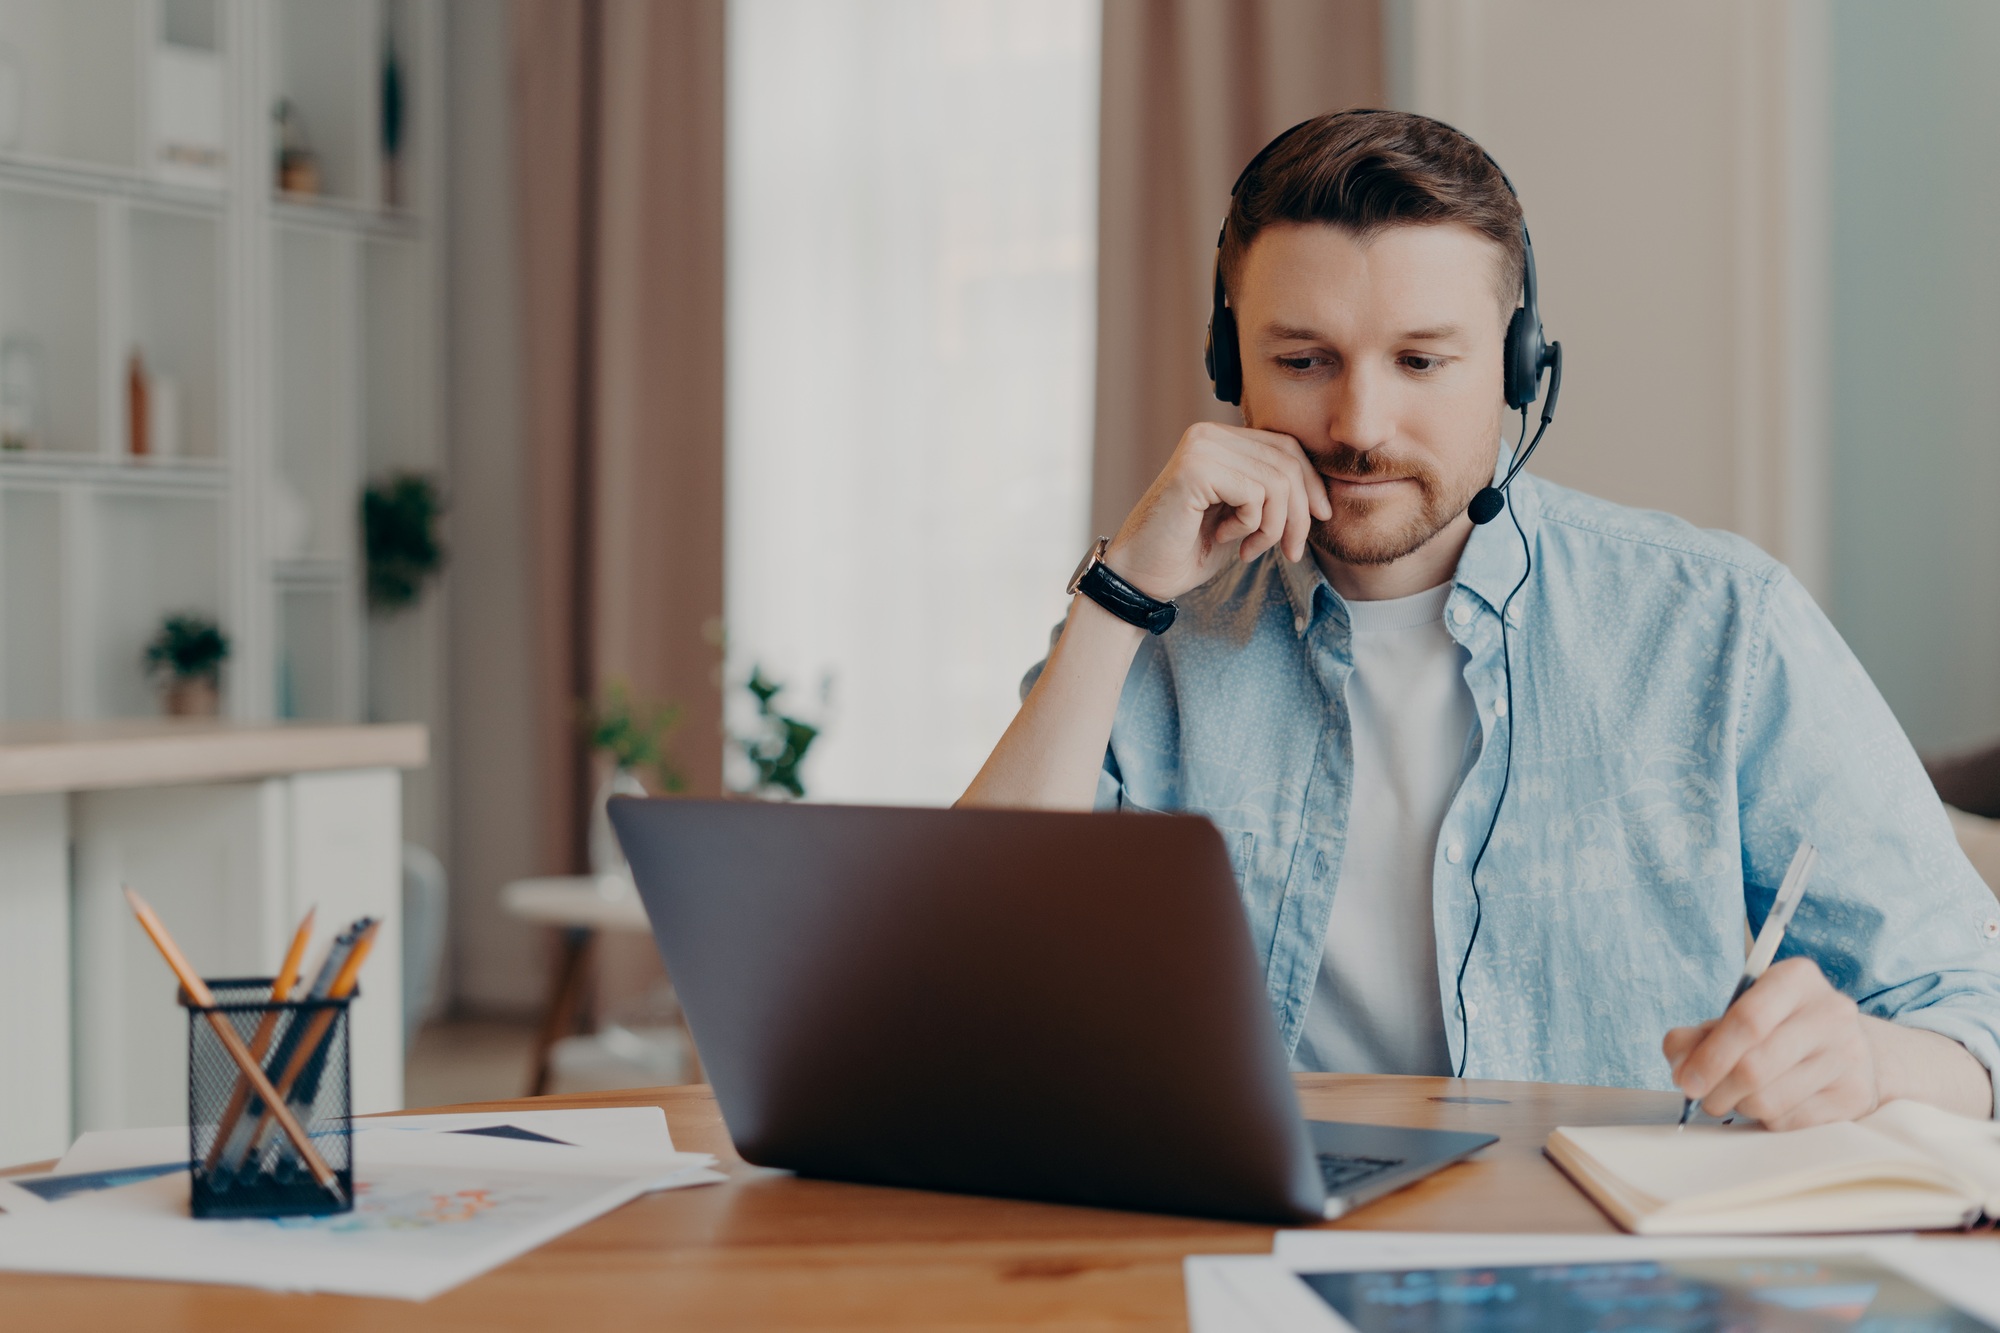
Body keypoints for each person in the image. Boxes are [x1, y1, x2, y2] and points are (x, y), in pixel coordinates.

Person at [960, 109, 2000, 1129]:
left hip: (1599, 1261)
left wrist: (1861, 1062)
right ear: (1228, 366)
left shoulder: (1719, 623)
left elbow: (1972, 1010)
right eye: (1300, 360)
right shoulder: (1150, 623)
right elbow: (960, 986)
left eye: (1419, 361)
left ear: (1517, 368)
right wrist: (1114, 600)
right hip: (1242, 1241)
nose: (1357, 426)